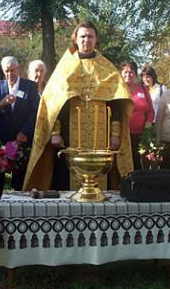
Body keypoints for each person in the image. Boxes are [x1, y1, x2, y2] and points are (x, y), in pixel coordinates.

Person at [23, 21, 133, 191]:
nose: (86, 40)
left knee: (103, 179)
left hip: (101, 137)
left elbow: (117, 104)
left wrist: (115, 134)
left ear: (96, 40)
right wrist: (55, 133)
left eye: (90, 36)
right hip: (68, 135)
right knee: (65, 179)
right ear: (75, 39)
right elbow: (55, 104)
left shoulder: (108, 69)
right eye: (82, 36)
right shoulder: (65, 67)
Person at [0, 56, 39, 209]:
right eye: (6, 71)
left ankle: (21, 205)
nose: (10, 74)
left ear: (19, 69)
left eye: (12, 70)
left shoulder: (30, 86)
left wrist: (24, 132)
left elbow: (34, 112)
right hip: (1, 138)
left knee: (20, 173)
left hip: (21, 138)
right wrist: (2, 103)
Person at [122, 60, 154, 170]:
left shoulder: (143, 89)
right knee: (124, 164)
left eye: (131, 72)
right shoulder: (118, 89)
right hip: (123, 136)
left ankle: (138, 186)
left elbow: (150, 111)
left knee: (139, 164)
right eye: (125, 72)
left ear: (135, 74)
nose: (128, 75)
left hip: (141, 136)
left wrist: (148, 124)